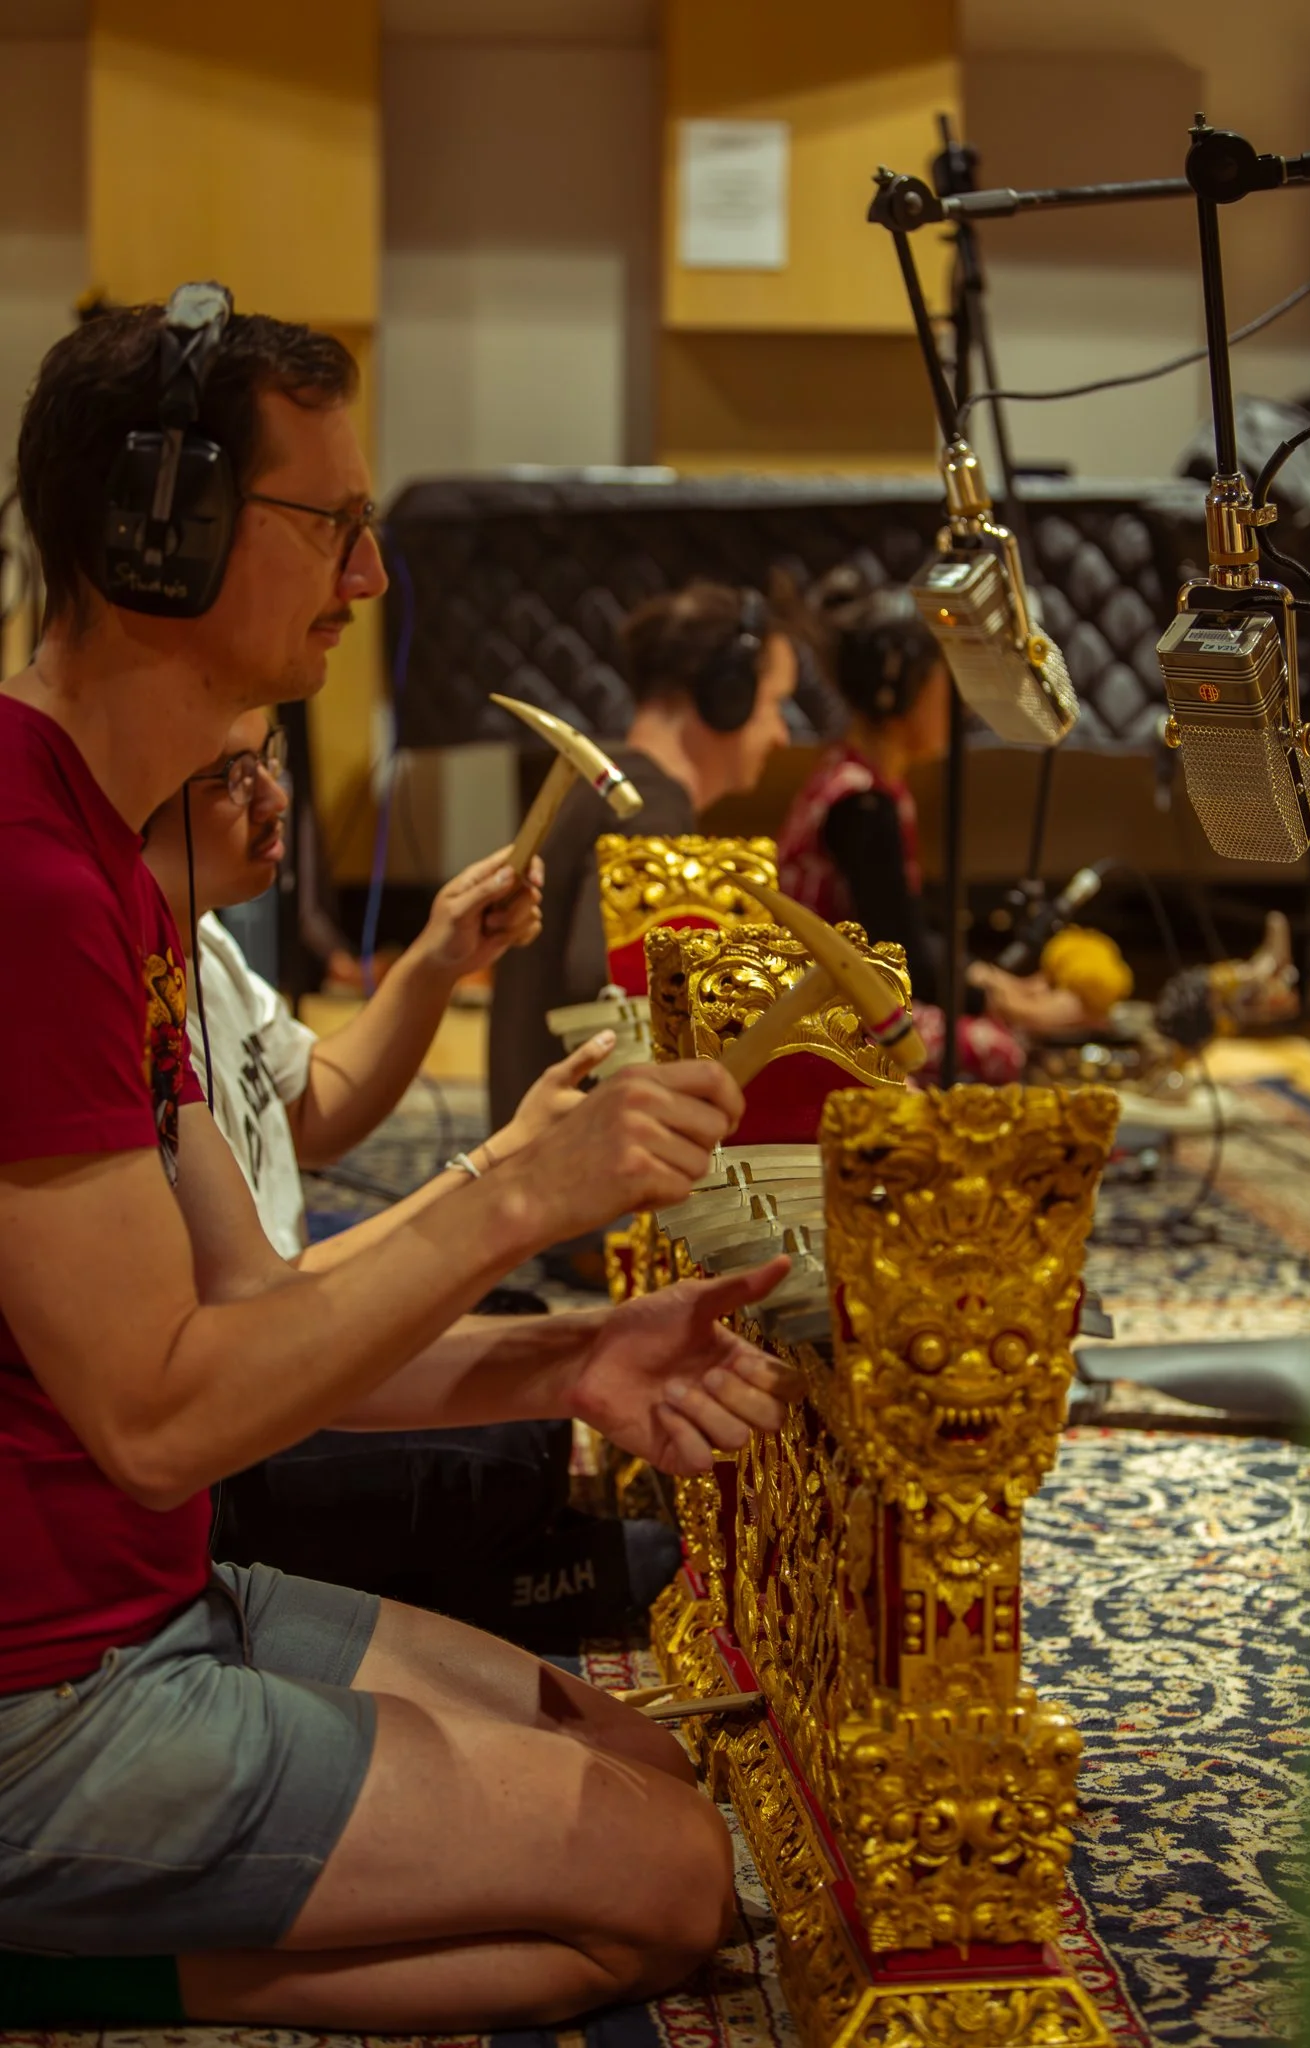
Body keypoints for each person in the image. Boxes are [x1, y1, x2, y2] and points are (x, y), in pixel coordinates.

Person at [0, 298, 797, 2025]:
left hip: (158, 1599)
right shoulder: (28, 889)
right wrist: (518, 1189)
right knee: (665, 1891)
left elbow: (264, 1315)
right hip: (42, 1701)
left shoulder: (113, 870)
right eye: (335, 526)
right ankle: (83, 1961)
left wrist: (571, 1355)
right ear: (167, 525)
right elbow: (162, 1417)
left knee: (649, 1778)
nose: (367, 580)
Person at [140, 714, 676, 1644]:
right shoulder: (121, 998)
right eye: (231, 777)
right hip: (232, 1425)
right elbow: (257, 1306)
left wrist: (439, 961)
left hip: (283, 1328)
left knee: (509, 1325)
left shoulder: (208, 945)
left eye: (268, 759)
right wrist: (504, 1166)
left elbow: (316, 1105)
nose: (275, 795)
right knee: (513, 1443)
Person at [488, 579, 796, 1133]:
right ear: (727, 697)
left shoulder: (612, 791)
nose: (782, 735)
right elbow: (606, 984)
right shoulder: (648, 808)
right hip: (578, 1186)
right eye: (774, 704)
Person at [777, 568, 1023, 1085]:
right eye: (941, 684)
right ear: (901, 694)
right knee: (999, 1049)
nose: (954, 703)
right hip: (834, 1010)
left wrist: (996, 985)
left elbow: (914, 931)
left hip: (857, 991)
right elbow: (904, 959)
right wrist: (1003, 1002)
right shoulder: (862, 803)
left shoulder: (859, 779)